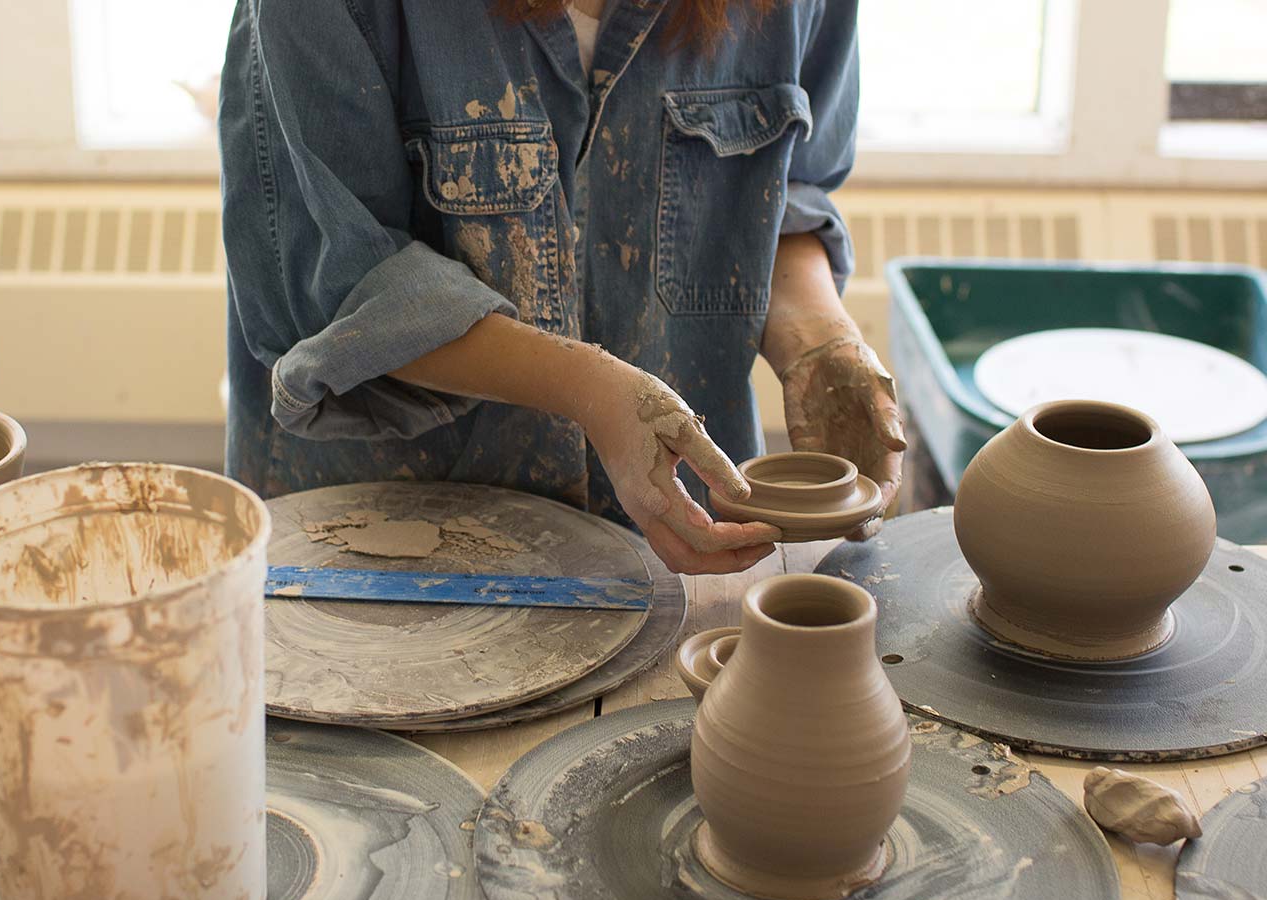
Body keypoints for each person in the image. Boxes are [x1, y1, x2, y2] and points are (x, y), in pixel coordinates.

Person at [217, 0, 903, 574]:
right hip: (388, 554)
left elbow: (788, 195)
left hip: (679, 532)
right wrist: (592, 391)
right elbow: (338, 292)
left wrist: (819, 341)